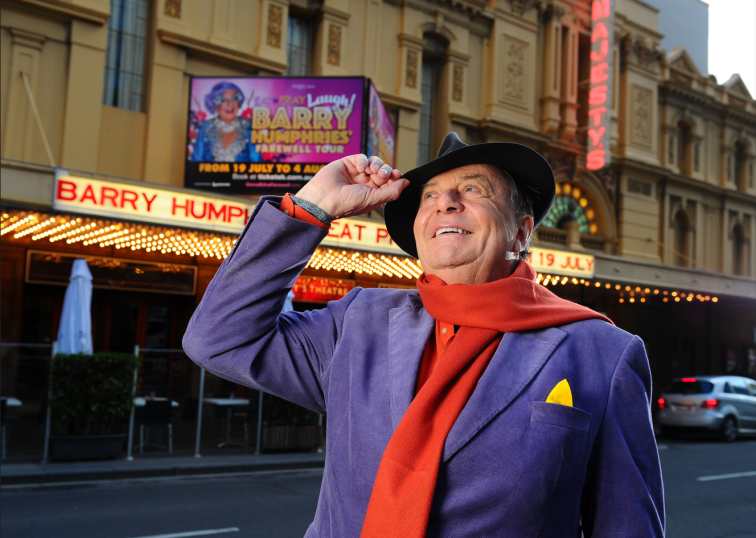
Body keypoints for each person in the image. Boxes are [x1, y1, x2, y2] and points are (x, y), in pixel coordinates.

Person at [183, 133, 665, 537]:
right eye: (430, 196)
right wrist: (312, 207)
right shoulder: (357, 323)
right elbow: (219, 339)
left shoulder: (601, 353)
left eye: (473, 189)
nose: (446, 203)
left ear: (522, 232)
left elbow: (628, 527)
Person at [190, 81, 260, 163]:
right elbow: (196, 161)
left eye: (234, 99)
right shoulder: (205, 126)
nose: (230, 104)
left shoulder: (249, 126)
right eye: (223, 100)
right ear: (214, 104)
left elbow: (257, 162)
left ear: (239, 102)